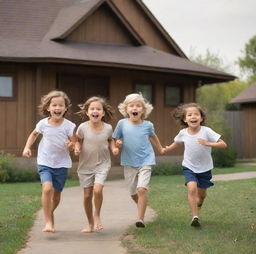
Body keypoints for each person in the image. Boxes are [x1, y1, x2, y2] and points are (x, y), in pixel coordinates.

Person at [165, 103, 227, 227]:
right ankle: (195, 217)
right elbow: (176, 142)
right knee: (192, 188)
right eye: (190, 115)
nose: (193, 116)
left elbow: (223, 144)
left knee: (202, 195)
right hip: (189, 166)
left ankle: (199, 203)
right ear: (184, 119)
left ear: (201, 118)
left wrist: (207, 143)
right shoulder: (183, 133)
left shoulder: (206, 131)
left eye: (196, 114)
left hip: (205, 168)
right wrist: (167, 149)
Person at [22, 90, 76, 232]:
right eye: (54, 105)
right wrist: (27, 147)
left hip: (62, 164)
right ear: (48, 108)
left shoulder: (69, 126)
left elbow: (74, 143)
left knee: (56, 195)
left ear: (65, 109)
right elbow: (33, 135)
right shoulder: (43, 123)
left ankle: (49, 212)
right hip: (45, 161)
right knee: (47, 189)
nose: (57, 108)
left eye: (60, 105)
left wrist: (71, 146)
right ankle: (48, 222)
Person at [113, 93, 165, 228]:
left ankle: (140, 219)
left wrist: (160, 148)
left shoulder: (148, 125)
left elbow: (154, 137)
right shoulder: (122, 124)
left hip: (146, 159)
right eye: (131, 106)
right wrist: (117, 145)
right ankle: (142, 205)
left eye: (138, 106)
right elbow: (116, 139)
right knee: (133, 193)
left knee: (142, 189)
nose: (134, 108)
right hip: (128, 161)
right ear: (126, 109)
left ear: (143, 110)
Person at [74, 96, 119, 233]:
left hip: (102, 164)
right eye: (92, 109)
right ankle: (90, 223)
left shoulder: (108, 128)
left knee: (98, 190)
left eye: (98, 109)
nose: (95, 111)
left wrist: (114, 148)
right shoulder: (82, 127)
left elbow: (111, 140)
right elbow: (78, 140)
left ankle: (97, 215)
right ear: (87, 112)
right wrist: (77, 147)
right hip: (85, 166)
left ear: (103, 113)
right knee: (87, 195)